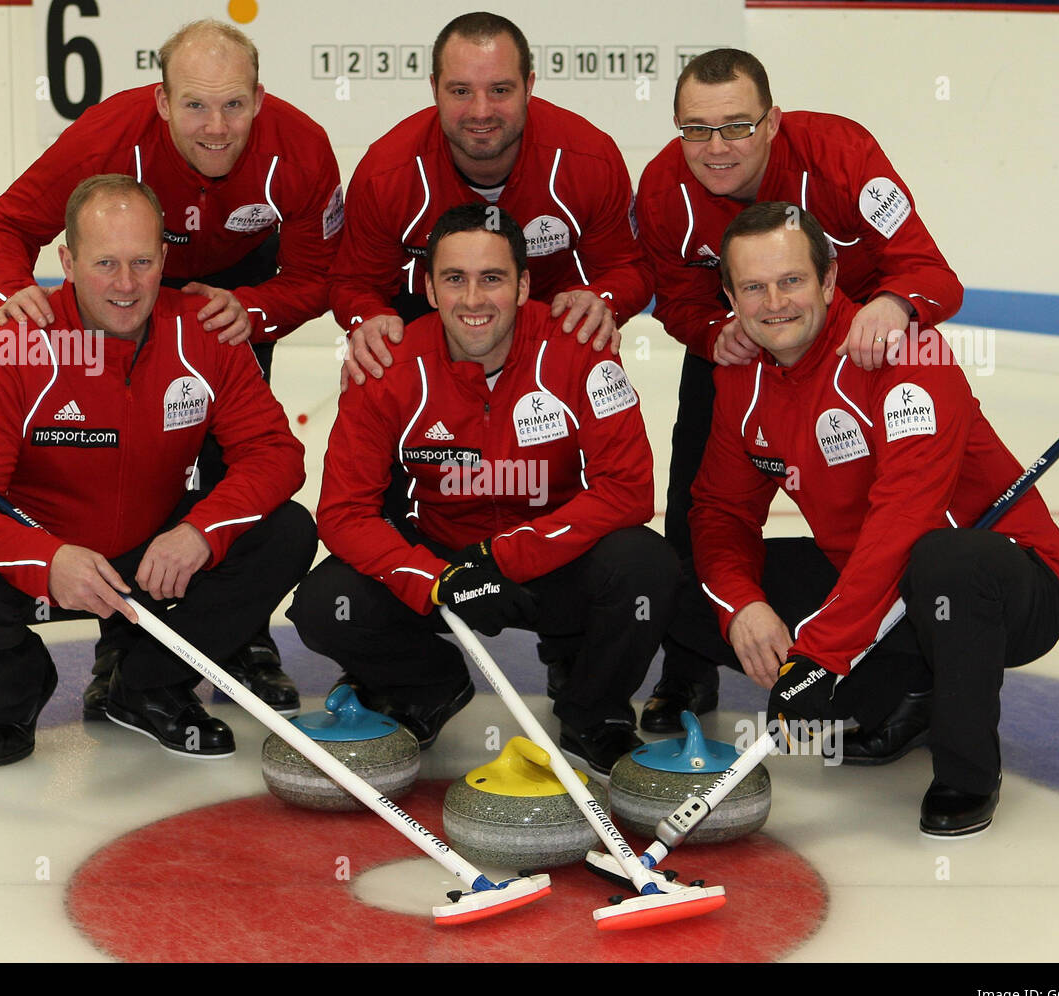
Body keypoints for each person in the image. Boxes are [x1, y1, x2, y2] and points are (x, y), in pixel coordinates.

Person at [666, 202, 1059, 836]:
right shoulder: (740, 376)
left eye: (792, 280)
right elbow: (720, 511)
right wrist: (743, 606)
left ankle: (966, 772)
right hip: (871, 582)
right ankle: (908, 694)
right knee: (681, 584)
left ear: (829, 281)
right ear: (731, 296)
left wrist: (823, 655)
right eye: (753, 286)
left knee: (945, 561)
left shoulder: (905, 353)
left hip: (1001, 580)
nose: (774, 302)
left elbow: (906, 519)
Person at [0, 19, 341, 712]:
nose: (216, 126)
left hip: (232, 297)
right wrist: (7, 296)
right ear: (162, 102)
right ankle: (123, 637)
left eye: (234, 104)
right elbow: (5, 225)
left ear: (260, 99)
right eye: (195, 105)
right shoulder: (106, 137)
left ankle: (241, 635)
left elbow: (321, 274)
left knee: (239, 470)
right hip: (127, 288)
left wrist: (255, 310)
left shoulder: (303, 149)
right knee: (134, 460)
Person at [0, 175, 315, 766]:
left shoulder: (204, 331)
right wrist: (46, 559)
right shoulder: (21, 347)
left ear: (164, 259)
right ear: (68, 262)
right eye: (105, 263)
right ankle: (15, 697)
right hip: (51, 564)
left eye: (141, 262)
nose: (126, 285)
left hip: (153, 562)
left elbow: (275, 453)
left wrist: (200, 533)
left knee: (286, 532)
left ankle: (148, 686)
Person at [635, 48, 964, 733]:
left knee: (899, 505)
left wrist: (898, 304)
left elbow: (932, 271)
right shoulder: (663, 189)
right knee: (697, 500)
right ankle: (689, 666)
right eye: (696, 129)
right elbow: (676, 301)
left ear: (774, 121)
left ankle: (920, 648)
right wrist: (708, 334)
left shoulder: (843, 153)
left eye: (737, 125)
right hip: (749, 337)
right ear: (675, 128)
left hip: (864, 334)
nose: (717, 148)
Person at [290, 205, 678, 776]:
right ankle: (427, 686)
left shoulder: (582, 348)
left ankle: (594, 712)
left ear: (524, 285)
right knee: (326, 606)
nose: (473, 300)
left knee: (646, 564)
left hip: (552, 559)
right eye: (455, 279)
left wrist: (501, 559)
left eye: (492, 278)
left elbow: (628, 490)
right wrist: (436, 579)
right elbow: (344, 514)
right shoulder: (386, 364)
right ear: (428, 287)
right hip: (440, 563)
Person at [331, 11, 650, 388]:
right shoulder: (386, 172)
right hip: (432, 319)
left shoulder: (589, 159)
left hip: (553, 318)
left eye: (500, 90)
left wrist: (604, 299)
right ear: (434, 89)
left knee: (593, 340)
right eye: (461, 91)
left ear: (529, 86)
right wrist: (367, 317)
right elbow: (352, 283)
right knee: (371, 364)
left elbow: (632, 270)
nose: (481, 112)